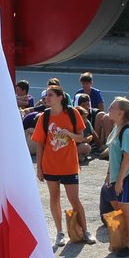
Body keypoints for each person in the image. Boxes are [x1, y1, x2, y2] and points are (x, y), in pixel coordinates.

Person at [32, 84, 87, 248]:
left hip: (69, 164)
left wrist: (69, 134)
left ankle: (85, 230)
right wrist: (39, 168)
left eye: (50, 95)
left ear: (60, 97)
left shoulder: (72, 113)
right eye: (46, 95)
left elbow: (80, 138)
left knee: (74, 199)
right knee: (54, 198)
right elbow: (40, 144)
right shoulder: (44, 116)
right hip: (50, 165)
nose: (46, 98)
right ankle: (59, 232)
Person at [104, 97, 129, 257]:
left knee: (128, 208)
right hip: (118, 176)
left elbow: (127, 157)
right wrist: (109, 174)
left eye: (112, 107)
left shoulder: (128, 131)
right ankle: (126, 240)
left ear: (121, 112)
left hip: (128, 176)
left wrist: (119, 180)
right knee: (123, 207)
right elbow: (114, 156)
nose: (109, 109)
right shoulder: (116, 128)